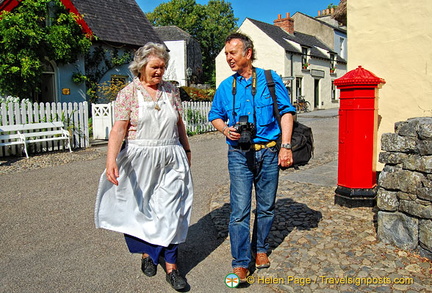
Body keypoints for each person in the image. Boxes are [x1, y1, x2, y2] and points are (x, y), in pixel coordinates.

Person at [94, 42, 193, 291]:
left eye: (163, 67)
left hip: (171, 156)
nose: (160, 72)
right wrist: (110, 160)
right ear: (141, 67)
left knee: (171, 211)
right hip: (139, 159)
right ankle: (147, 254)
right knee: (141, 210)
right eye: (155, 67)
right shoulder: (128, 92)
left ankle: (172, 266)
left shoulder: (171, 91)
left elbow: (179, 124)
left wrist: (187, 150)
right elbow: (119, 129)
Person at [208, 32, 296, 283]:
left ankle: (260, 249)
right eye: (226, 54)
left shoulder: (270, 80)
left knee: (266, 207)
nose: (228, 58)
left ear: (247, 53)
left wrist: (285, 146)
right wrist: (226, 129)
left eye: (232, 53)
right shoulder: (226, 87)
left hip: (269, 152)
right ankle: (240, 262)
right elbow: (215, 114)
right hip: (239, 155)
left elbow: (287, 113)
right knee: (239, 211)